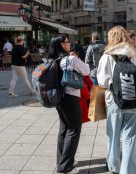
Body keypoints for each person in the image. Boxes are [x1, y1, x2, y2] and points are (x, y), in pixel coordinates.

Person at [97, 26, 136, 174]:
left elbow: (101, 80)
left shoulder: (107, 55)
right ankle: (128, 170)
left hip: (114, 101)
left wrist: (113, 85)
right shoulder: (134, 54)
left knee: (113, 136)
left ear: (111, 38)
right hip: (132, 100)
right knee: (130, 137)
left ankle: (114, 166)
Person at [48, 35, 90, 174]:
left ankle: (62, 160)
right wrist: (77, 58)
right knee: (74, 129)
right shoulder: (71, 59)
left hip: (58, 98)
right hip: (71, 97)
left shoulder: (54, 59)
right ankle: (65, 166)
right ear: (61, 45)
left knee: (64, 129)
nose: (69, 44)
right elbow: (87, 70)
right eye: (67, 42)